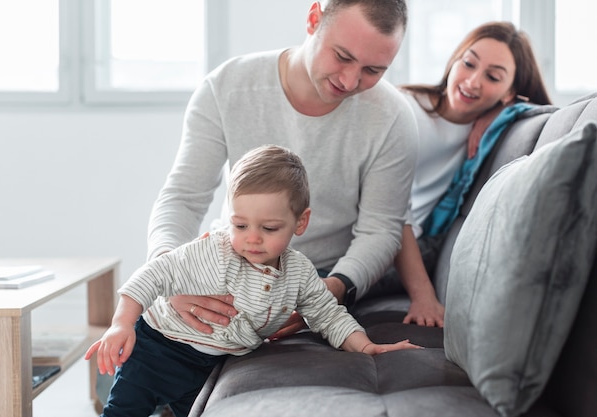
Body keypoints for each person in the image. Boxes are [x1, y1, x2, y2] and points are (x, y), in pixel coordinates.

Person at [86, 145, 422, 417]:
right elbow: (153, 274)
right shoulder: (213, 252)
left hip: (213, 364)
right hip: (157, 349)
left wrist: (366, 346)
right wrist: (121, 324)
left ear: (300, 222)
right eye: (240, 225)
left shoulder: (299, 274)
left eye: (269, 228)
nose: (252, 239)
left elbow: (328, 315)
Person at [146, 0, 419, 334]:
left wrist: (331, 290)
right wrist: (167, 274)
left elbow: (381, 230)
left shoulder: (393, 117)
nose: (349, 81)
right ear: (313, 19)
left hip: (323, 278)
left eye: (373, 70)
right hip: (232, 265)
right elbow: (183, 197)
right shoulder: (226, 87)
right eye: (342, 57)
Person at [365, 21, 552, 326]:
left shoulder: (492, 129)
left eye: (492, 77)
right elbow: (390, 208)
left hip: (409, 250)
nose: (473, 81)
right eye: (468, 64)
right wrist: (423, 294)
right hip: (372, 235)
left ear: (509, 92)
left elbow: (549, 113)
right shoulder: (408, 111)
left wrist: (502, 112)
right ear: (454, 61)